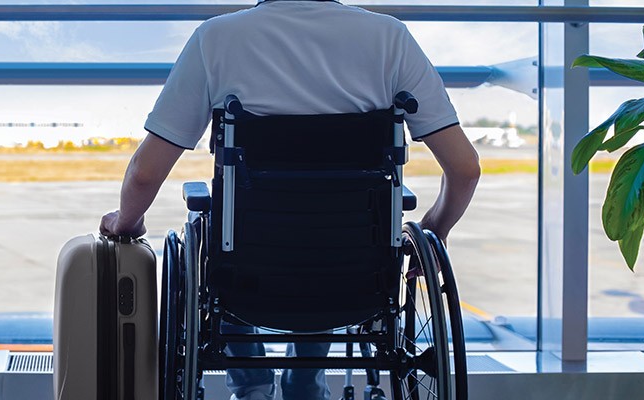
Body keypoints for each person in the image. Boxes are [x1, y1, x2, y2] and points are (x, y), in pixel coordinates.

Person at [100, 1, 480, 399]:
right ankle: (306, 383)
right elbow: (465, 168)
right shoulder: (391, 38)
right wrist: (436, 231)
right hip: (356, 281)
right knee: (331, 229)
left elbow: (145, 173)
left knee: (217, 235)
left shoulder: (216, 38)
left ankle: (252, 388)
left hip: (247, 278)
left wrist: (126, 220)